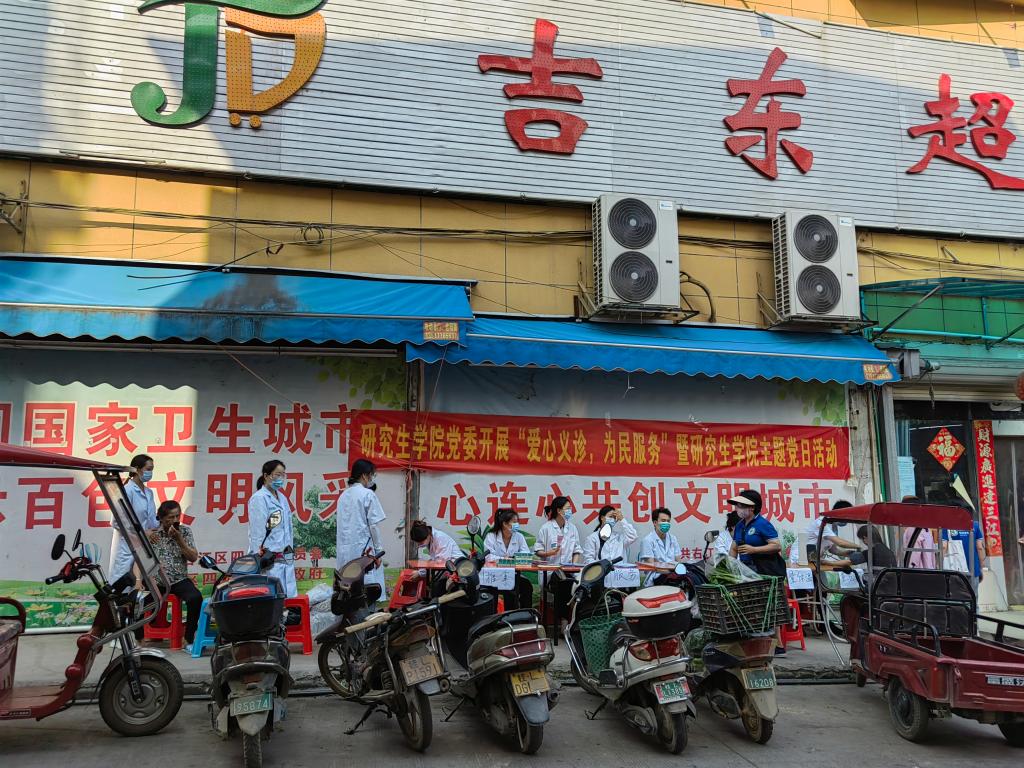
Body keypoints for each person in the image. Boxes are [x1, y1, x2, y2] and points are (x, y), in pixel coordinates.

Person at [148, 500, 201, 652]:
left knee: (195, 598)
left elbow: (193, 557)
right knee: (138, 601)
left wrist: (180, 540)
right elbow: (143, 558)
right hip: (158, 581)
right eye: (171, 517)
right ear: (161, 518)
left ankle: (188, 638)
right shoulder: (153, 535)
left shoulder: (185, 532)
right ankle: (141, 639)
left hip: (179, 580)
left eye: (178, 516)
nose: (175, 520)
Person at [336, 458, 387, 601]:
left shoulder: (343, 496)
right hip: (364, 551)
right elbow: (374, 525)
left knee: (347, 591)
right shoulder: (367, 494)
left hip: (345, 553)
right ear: (364, 475)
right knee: (367, 590)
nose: (371, 479)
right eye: (371, 475)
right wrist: (378, 552)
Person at [247, 459, 297, 598]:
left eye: (283, 475)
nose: (280, 478)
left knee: (288, 599)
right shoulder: (259, 498)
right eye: (277, 475)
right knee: (272, 599)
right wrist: (260, 558)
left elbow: (287, 528)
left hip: (285, 557)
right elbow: (257, 533)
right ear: (266, 475)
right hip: (269, 560)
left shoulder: (282, 498)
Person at [110, 454, 159, 593]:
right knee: (122, 585)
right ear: (137, 469)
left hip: (142, 546)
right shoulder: (127, 490)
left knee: (140, 588)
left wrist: (162, 525)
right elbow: (117, 522)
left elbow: (151, 521)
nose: (150, 473)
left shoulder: (149, 492)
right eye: (148, 469)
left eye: (152, 469)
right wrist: (143, 533)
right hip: (126, 546)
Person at [483, 508, 533, 609]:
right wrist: (504, 559)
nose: (517, 524)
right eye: (514, 522)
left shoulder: (519, 536)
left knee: (526, 586)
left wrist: (514, 557)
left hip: (513, 574)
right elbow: (488, 556)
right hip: (494, 576)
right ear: (505, 524)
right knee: (508, 586)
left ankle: (525, 615)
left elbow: (526, 554)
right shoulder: (491, 536)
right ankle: (497, 616)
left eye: (517, 522)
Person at [729, 490, 785, 576]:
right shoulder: (739, 525)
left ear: (752, 507)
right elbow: (734, 548)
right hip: (745, 568)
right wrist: (731, 567)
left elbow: (777, 546)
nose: (737, 509)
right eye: (737, 505)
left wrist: (754, 550)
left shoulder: (762, 523)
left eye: (741, 506)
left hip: (764, 570)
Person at [942, 502, 987, 582]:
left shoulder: (947, 526)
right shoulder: (975, 525)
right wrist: (981, 564)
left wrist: (939, 563)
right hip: (973, 568)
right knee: (973, 590)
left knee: (956, 589)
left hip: (955, 569)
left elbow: (944, 547)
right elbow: (980, 547)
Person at [534, 496, 583, 565]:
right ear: (559, 510)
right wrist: (549, 553)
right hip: (549, 569)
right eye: (567, 508)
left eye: (570, 508)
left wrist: (573, 566)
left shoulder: (573, 528)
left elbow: (576, 550)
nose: (570, 511)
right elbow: (538, 551)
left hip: (568, 569)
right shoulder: (546, 528)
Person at [639, 508, 681, 585]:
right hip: (656, 577)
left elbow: (678, 560)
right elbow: (653, 566)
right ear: (655, 522)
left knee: (691, 577)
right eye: (663, 521)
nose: (666, 523)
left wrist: (676, 570)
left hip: (673, 574)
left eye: (668, 521)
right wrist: (672, 570)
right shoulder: (647, 540)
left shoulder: (673, 539)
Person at [900, 495, 937, 569]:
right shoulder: (926, 529)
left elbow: (912, 559)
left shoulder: (912, 530)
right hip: (929, 571)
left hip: (916, 573)